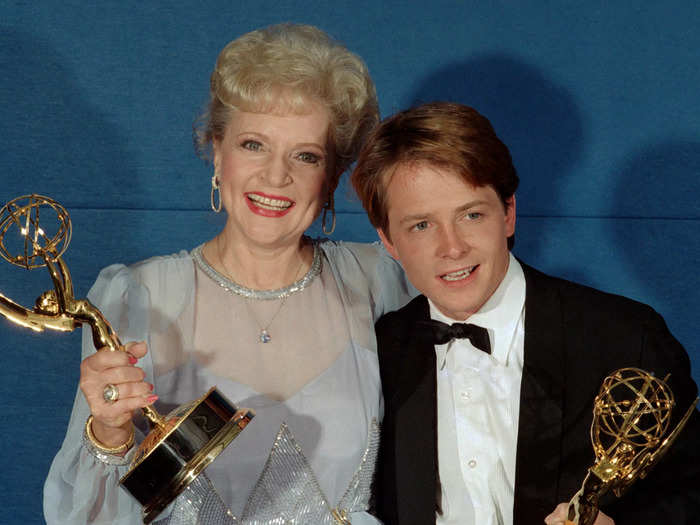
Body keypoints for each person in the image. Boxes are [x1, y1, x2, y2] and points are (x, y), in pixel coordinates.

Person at [43, 23, 414, 524]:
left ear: (330, 179)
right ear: (217, 151)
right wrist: (109, 433)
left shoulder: (381, 282)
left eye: (305, 156)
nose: (276, 176)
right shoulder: (138, 297)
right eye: (254, 145)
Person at [350, 102, 700, 525]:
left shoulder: (623, 337)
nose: (453, 247)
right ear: (388, 242)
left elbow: (691, 491)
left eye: (471, 215)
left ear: (508, 213)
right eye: (421, 225)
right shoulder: (376, 354)